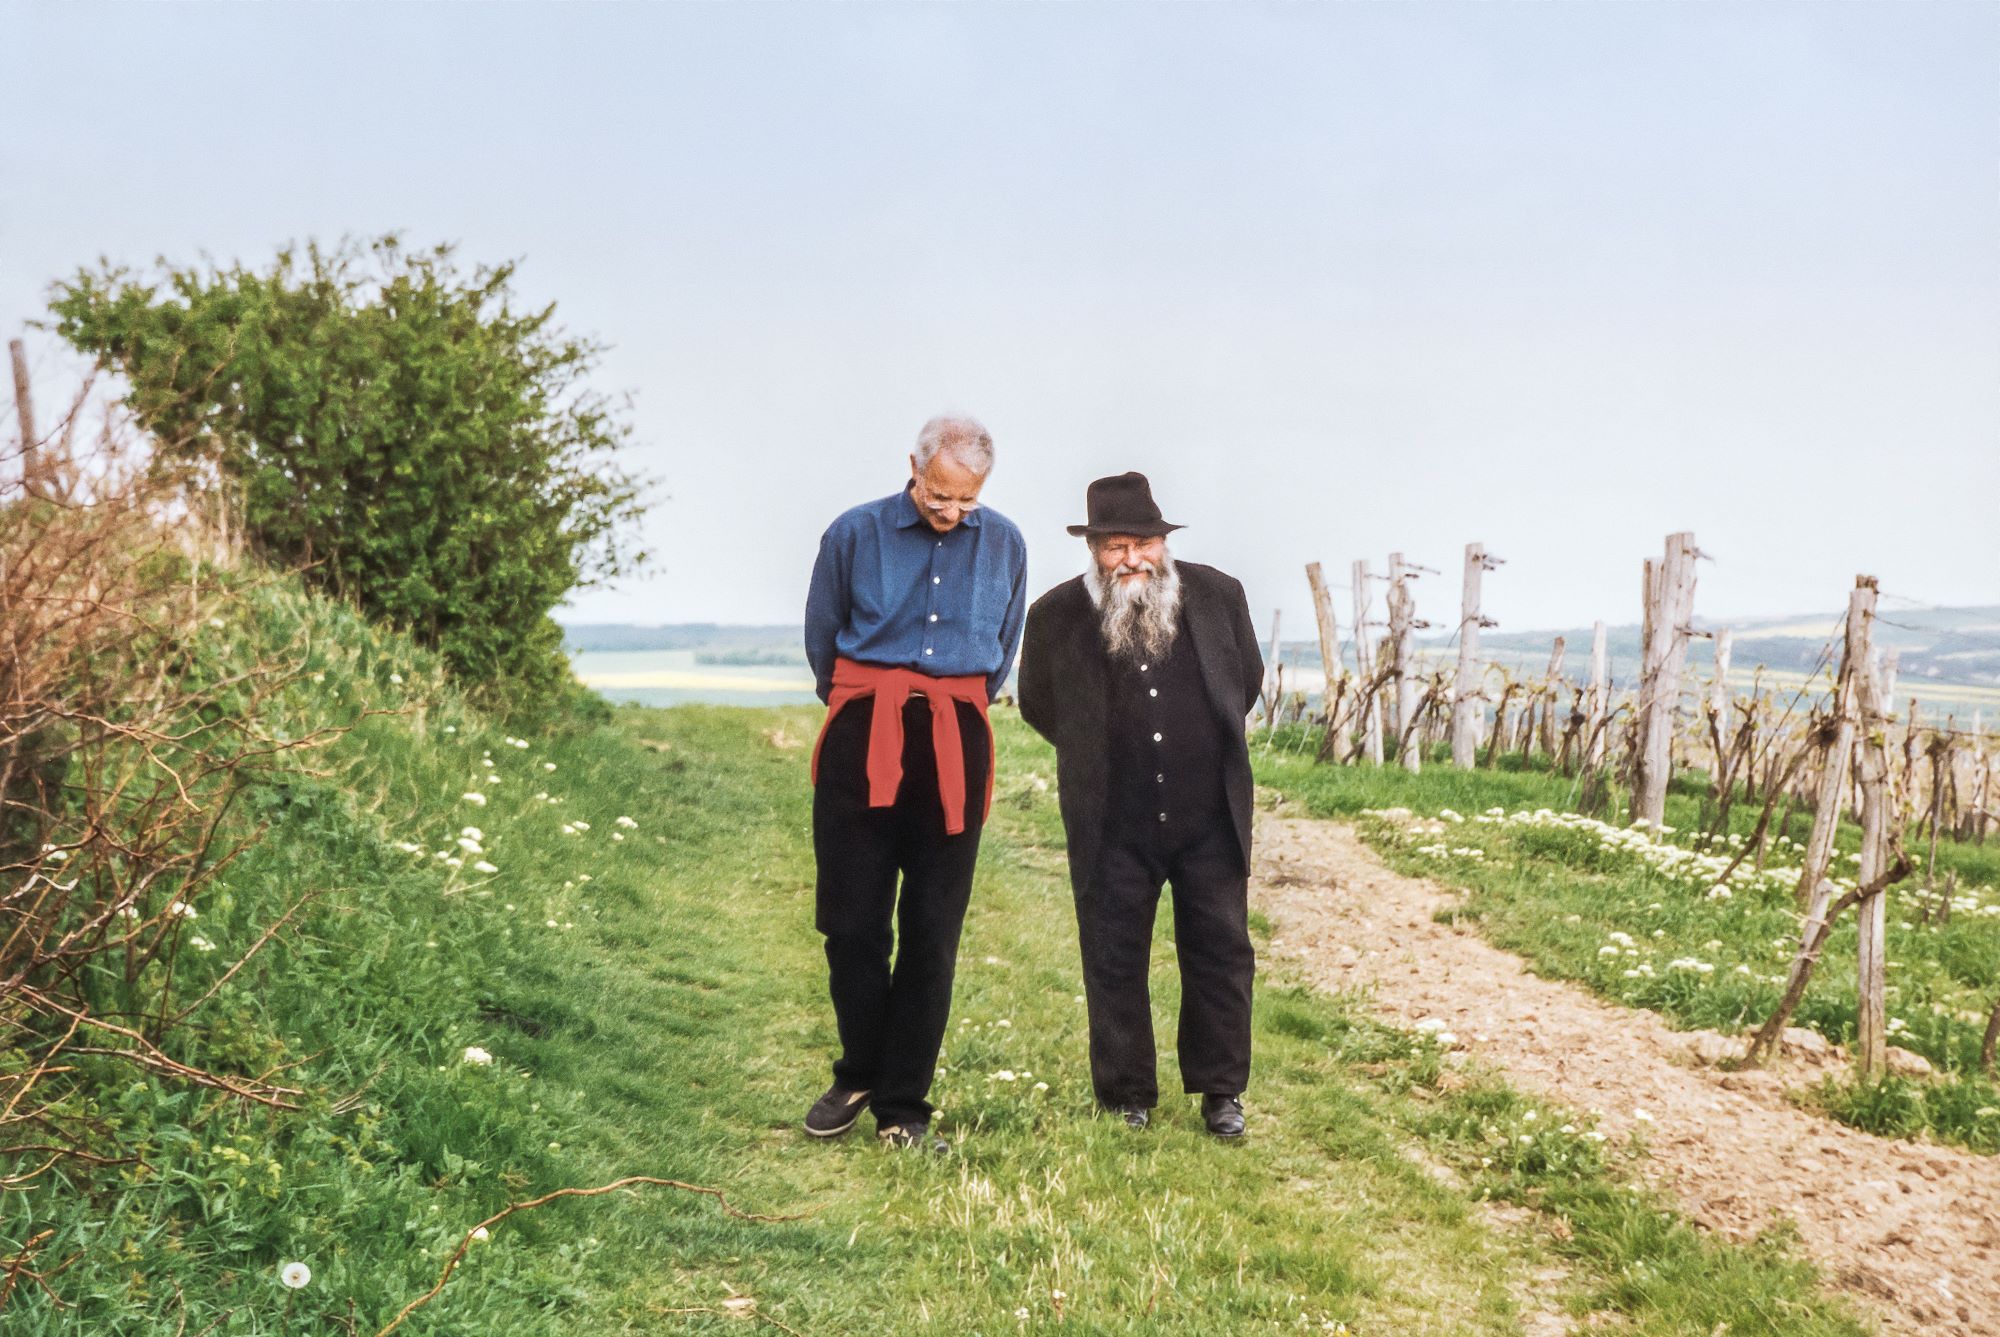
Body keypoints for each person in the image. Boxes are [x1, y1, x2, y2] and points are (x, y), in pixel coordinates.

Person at [801, 415, 1028, 1149]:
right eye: (939, 495)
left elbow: (1003, 648)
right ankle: (859, 1071)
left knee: (932, 932)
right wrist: (865, 704)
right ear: (914, 467)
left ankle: (903, 1107)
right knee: (851, 922)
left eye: (967, 499)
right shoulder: (852, 533)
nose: (952, 511)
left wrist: (950, 709)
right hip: (864, 727)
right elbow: (822, 638)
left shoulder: (1007, 543)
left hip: (955, 739)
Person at [1017, 472, 1262, 1138]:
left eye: (1143, 544)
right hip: (1111, 817)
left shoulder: (1219, 596)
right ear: (1094, 550)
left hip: (1208, 813)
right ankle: (1126, 1092)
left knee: (1220, 952)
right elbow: (1039, 703)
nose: (1132, 560)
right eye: (1115, 547)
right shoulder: (1054, 616)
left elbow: (1245, 682)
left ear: (1163, 543)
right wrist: (1096, 756)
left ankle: (1221, 1093)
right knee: (1113, 954)